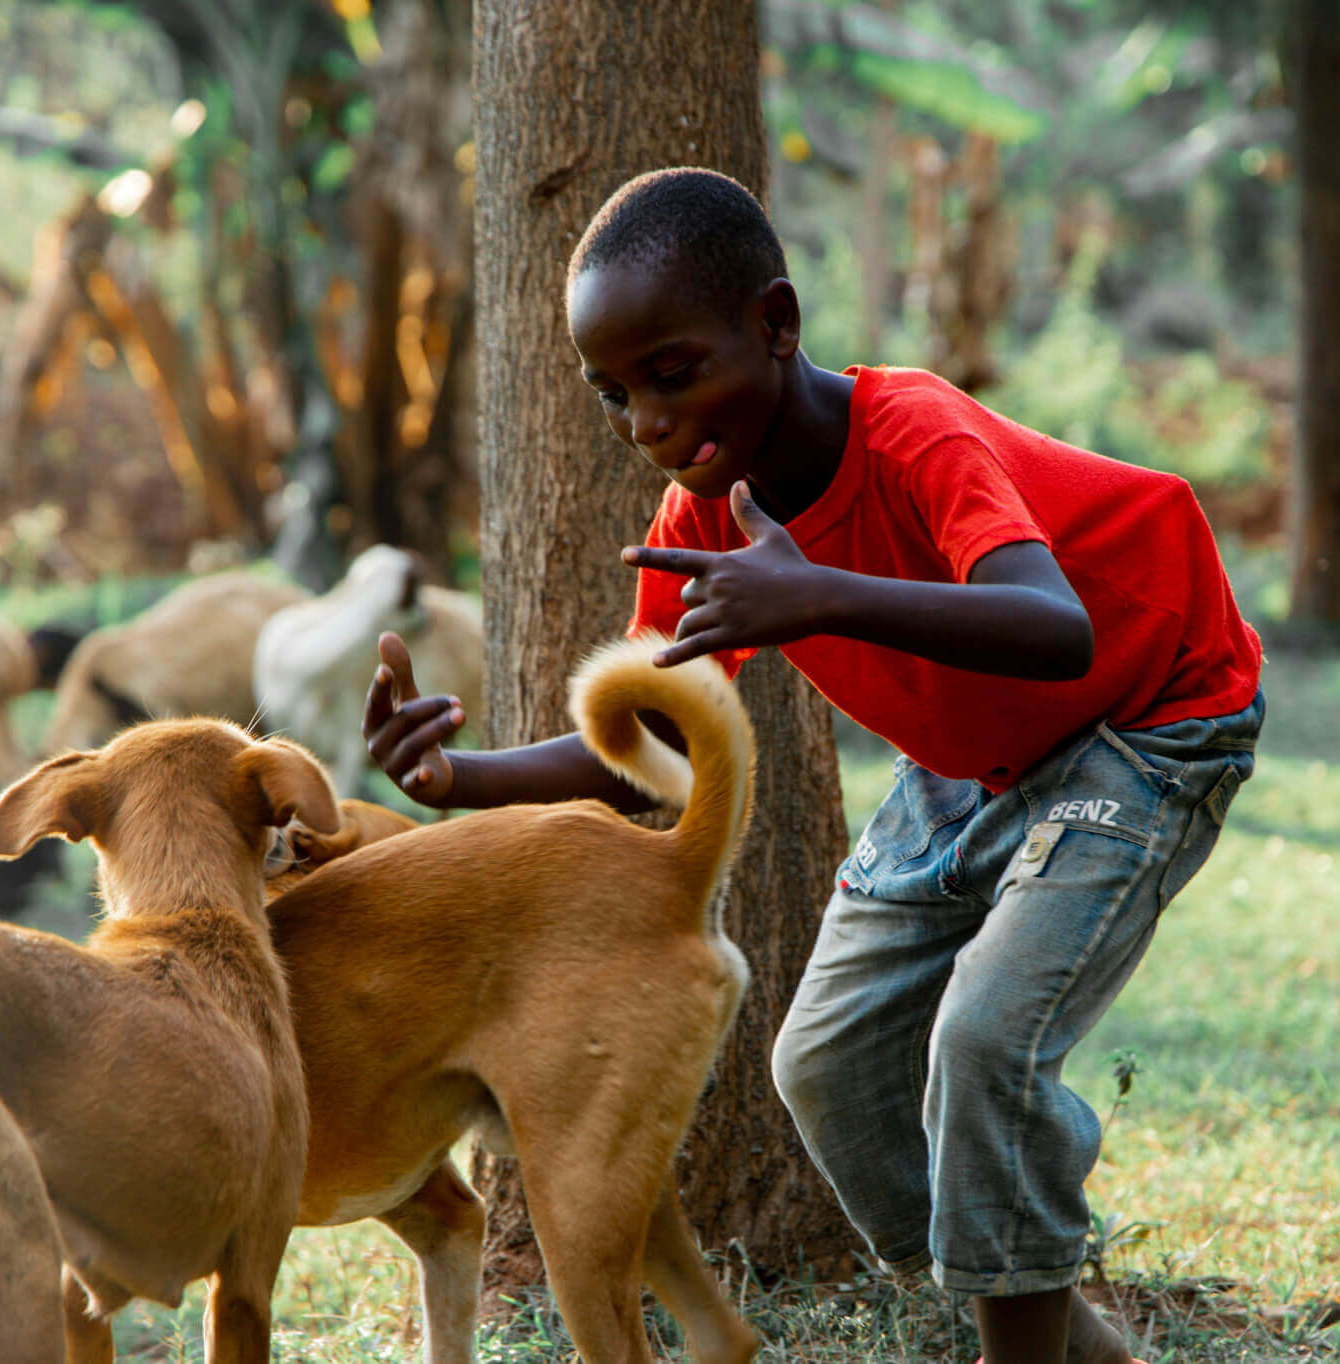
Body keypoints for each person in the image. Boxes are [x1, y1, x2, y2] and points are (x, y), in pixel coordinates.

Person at [360, 167, 1262, 1364]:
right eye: (613, 392)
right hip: (972, 763)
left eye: (672, 374)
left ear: (776, 325)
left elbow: (1053, 624)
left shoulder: (913, 428)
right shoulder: (700, 523)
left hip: (1152, 714)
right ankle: (1060, 1329)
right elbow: (650, 754)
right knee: (824, 1062)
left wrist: (816, 593)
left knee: (985, 1040)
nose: (646, 422)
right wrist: (457, 778)